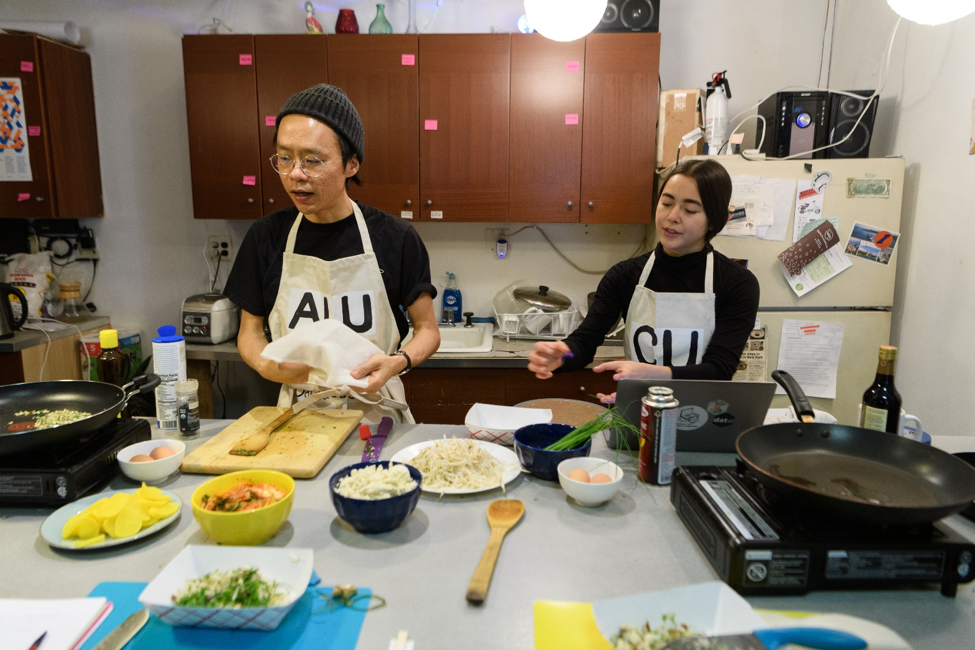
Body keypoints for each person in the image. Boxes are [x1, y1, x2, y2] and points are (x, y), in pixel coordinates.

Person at [224, 84, 440, 422]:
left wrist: (398, 362)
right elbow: (249, 332)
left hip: (375, 412)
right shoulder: (266, 237)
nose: (295, 173)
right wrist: (267, 365)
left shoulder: (395, 238)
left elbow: (427, 329)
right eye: (285, 158)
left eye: (313, 160)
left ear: (351, 164)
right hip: (298, 414)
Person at [527, 158, 759, 404]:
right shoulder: (625, 275)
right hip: (640, 411)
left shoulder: (737, 283)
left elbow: (720, 369)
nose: (672, 216)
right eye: (666, 203)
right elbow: (585, 340)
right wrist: (562, 356)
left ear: (714, 220)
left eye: (690, 210)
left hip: (702, 414)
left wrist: (655, 375)